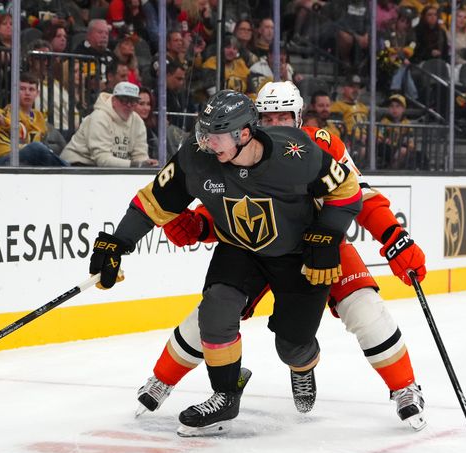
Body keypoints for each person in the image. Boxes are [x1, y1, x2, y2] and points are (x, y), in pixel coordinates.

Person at [135, 82, 428, 431]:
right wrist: (200, 225)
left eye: (284, 115)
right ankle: (163, 379)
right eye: (269, 116)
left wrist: (393, 236)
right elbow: (233, 204)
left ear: (299, 115)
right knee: (213, 313)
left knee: (362, 308)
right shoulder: (245, 148)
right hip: (256, 246)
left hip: (319, 246)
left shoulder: (318, 144)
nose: (276, 122)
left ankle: (403, 388)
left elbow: (358, 195)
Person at [87, 89, 362, 436]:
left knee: (292, 345)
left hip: (297, 255)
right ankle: (226, 394)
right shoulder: (196, 156)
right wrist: (118, 242)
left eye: (215, 136)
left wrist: (327, 234)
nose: (205, 142)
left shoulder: (296, 152)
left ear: (244, 134)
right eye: (204, 132)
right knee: (215, 310)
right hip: (239, 247)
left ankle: (302, 365)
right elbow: (152, 203)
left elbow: (348, 190)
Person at [60, 81, 157, 168]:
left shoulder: (137, 121)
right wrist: (135, 165)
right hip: (75, 166)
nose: (128, 105)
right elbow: (102, 160)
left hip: (103, 170)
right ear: (113, 100)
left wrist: (146, 163)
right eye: (124, 100)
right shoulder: (99, 117)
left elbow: (140, 155)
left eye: (133, 101)